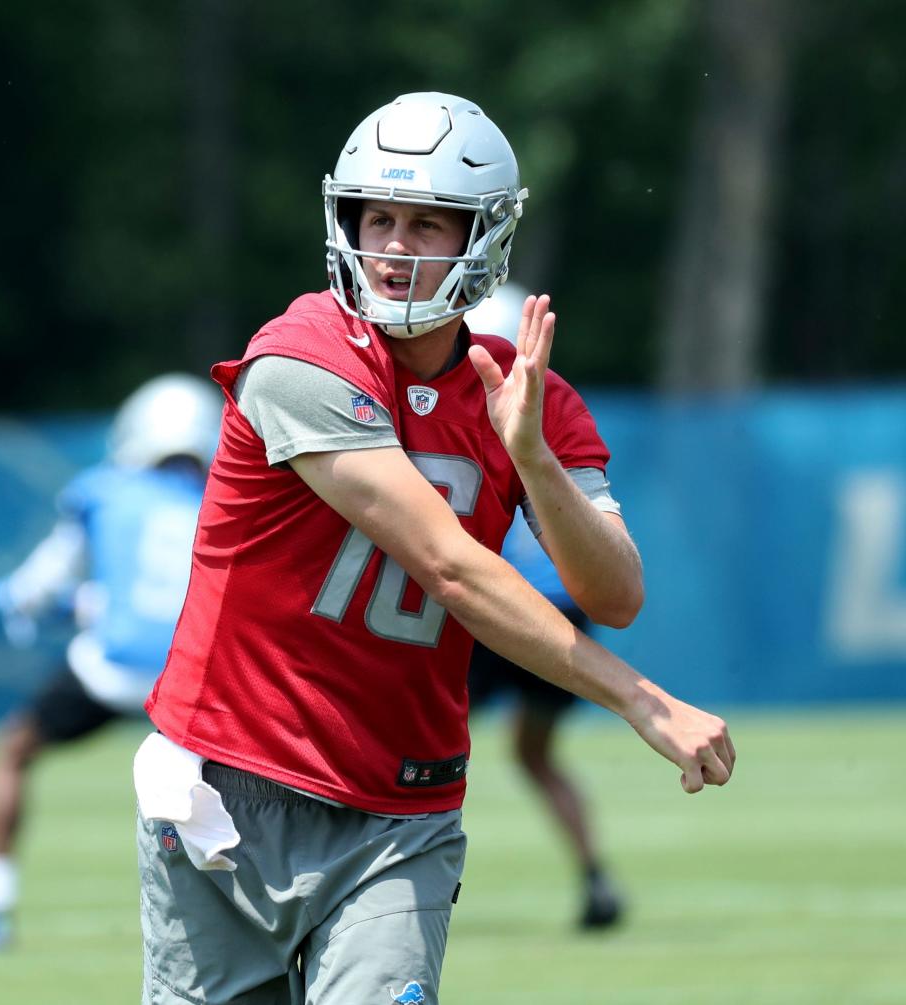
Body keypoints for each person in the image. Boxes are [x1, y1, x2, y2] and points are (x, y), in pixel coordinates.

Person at [134, 92, 735, 1005]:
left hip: (400, 806)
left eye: (426, 223)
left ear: (481, 238)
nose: (395, 246)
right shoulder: (299, 357)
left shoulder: (526, 394)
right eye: (379, 216)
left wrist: (531, 458)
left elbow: (614, 593)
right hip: (231, 786)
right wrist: (643, 701)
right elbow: (449, 566)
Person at [0, 373, 221, 952]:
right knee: (238, 791)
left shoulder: (102, 490)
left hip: (112, 667)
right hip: (191, 674)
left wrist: (46, 604)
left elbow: (33, 590)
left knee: (13, 751)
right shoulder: (226, 496)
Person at [466, 284, 624, 929]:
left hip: (494, 609)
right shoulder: (551, 413)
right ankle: (596, 878)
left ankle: (387, 880)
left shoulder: (456, 418)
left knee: (414, 748)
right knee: (535, 756)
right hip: (562, 608)